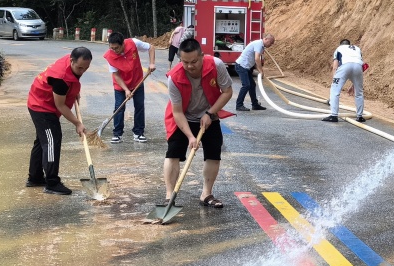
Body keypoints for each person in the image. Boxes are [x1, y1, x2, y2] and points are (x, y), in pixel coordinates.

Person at [164, 38, 235, 208]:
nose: (190, 66)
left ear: (202, 56)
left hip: (210, 114)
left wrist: (210, 113)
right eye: (185, 62)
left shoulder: (216, 65)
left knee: (213, 154)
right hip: (184, 117)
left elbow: (227, 92)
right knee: (173, 154)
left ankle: (206, 194)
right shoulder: (174, 78)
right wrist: (190, 136)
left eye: (194, 61)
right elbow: (177, 112)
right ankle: (169, 197)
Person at [26, 47, 92, 195]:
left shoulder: (71, 63)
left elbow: (71, 80)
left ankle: (35, 178)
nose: (82, 71)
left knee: (42, 141)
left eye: (86, 68)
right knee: (51, 141)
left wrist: (73, 92)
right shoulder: (60, 78)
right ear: (71, 60)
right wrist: (77, 123)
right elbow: (60, 105)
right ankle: (52, 183)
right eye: (80, 68)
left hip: (41, 100)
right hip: (41, 106)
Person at [104, 31, 156, 143]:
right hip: (120, 85)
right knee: (119, 107)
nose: (114, 50)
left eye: (116, 48)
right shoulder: (110, 56)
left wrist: (152, 63)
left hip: (137, 81)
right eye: (112, 48)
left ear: (123, 44)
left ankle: (138, 132)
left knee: (139, 106)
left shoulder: (133, 43)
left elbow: (151, 48)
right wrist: (126, 90)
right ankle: (117, 134)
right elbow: (116, 75)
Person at [323, 39, 366, 123]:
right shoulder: (357, 49)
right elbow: (360, 64)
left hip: (345, 66)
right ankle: (360, 116)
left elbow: (335, 67)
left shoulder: (339, 48)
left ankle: (334, 116)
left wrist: (335, 82)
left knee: (335, 91)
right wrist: (354, 85)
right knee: (359, 93)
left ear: (341, 45)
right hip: (358, 67)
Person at [235, 33, 274, 111]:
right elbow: (256, 58)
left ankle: (255, 105)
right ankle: (239, 105)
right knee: (246, 85)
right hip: (241, 66)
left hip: (246, 67)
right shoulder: (258, 44)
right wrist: (261, 71)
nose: (271, 45)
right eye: (270, 42)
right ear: (266, 39)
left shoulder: (261, 46)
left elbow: (254, 61)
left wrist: (260, 71)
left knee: (252, 85)